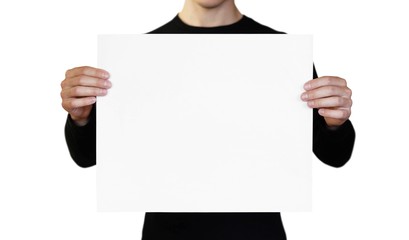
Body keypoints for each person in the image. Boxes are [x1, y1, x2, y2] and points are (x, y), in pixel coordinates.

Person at [60, 0, 355, 239]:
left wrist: (336, 121)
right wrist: (81, 117)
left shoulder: (281, 51)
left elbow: (333, 155)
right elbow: (87, 157)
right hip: (167, 234)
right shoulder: (138, 55)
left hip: (255, 233)